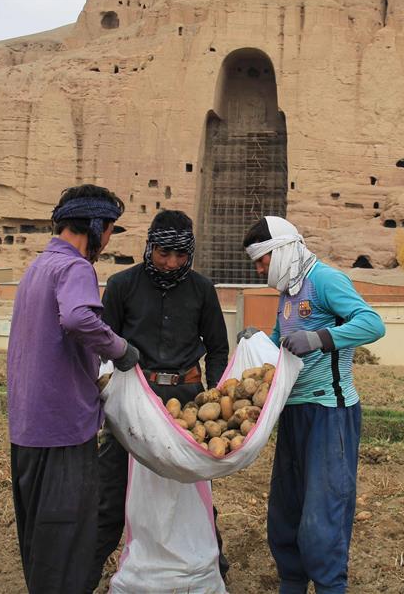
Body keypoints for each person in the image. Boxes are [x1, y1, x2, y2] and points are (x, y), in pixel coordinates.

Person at [239, 216, 385, 594]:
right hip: (292, 411)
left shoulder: (325, 280)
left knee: (323, 518)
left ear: (281, 251)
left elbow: (372, 324)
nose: (259, 270)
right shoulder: (288, 291)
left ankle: (330, 585)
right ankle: (291, 582)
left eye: (262, 261)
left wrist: (320, 338)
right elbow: (280, 341)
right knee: (286, 513)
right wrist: (257, 341)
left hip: (329, 411)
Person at [7, 184, 140, 593]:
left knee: (42, 544)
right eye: (110, 230)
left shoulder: (38, 267)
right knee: (67, 547)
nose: (108, 240)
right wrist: (119, 349)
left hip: (28, 429)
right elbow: (79, 318)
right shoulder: (74, 268)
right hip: (62, 428)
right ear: (96, 227)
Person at [93, 209, 231, 584]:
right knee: (111, 491)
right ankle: (84, 575)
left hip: (187, 405)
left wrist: (216, 396)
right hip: (132, 403)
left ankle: (211, 569)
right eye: (163, 253)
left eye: (180, 255)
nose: (171, 263)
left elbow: (218, 348)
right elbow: (102, 346)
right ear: (150, 247)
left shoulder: (202, 289)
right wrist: (108, 395)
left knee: (193, 490)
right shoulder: (122, 285)